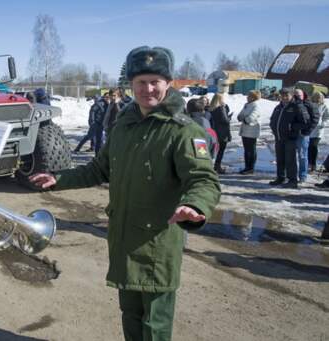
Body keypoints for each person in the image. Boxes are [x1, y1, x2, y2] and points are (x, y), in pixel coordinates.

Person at [30, 46, 220, 341]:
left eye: (155, 81)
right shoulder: (124, 127)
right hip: (123, 240)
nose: (148, 89)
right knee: (130, 316)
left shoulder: (182, 131)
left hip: (156, 243)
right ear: (130, 85)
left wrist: (195, 205)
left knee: (155, 325)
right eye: (141, 82)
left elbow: (204, 179)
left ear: (168, 83)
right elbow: (98, 170)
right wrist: (58, 179)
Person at [269, 88, 307, 188]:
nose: (284, 98)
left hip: (290, 138)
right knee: (280, 158)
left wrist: (292, 128)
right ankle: (280, 177)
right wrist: (273, 127)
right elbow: (273, 119)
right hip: (279, 137)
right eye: (282, 96)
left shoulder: (297, 106)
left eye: (287, 95)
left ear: (292, 95)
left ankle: (292, 180)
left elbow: (305, 122)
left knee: (290, 160)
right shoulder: (279, 107)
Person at [236, 90, 262, 174]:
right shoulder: (247, 105)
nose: (247, 97)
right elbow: (241, 115)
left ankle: (251, 167)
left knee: (251, 150)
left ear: (253, 97)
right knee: (246, 150)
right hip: (245, 130)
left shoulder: (256, 105)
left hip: (252, 130)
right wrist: (240, 117)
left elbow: (253, 116)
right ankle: (247, 167)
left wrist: (245, 119)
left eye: (249, 96)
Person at [294, 88, 315, 182]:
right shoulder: (291, 105)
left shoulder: (309, 104)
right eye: (295, 95)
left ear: (303, 95)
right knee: (291, 156)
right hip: (292, 134)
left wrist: (307, 131)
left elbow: (315, 119)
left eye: (299, 95)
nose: (297, 97)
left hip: (303, 135)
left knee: (302, 156)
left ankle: (303, 176)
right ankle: (291, 175)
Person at [209, 93, 232, 174]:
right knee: (221, 150)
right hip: (222, 132)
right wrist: (229, 117)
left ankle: (211, 165)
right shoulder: (221, 108)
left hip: (213, 132)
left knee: (213, 150)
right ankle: (217, 166)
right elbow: (225, 120)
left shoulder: (210, 108)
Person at [308, 91, 328, 172]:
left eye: (320, 97)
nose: (319, 99)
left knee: (314, 146)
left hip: (318, 130)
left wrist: (323, 123)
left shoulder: (324, 106)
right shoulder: (310, 105)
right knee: (309, 147)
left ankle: (314, 164)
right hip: (310, 129)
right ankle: (310, 164)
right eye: (317, 97)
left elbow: (326, 117)